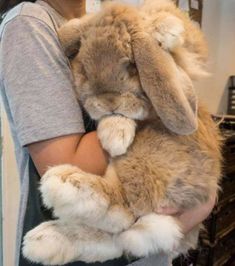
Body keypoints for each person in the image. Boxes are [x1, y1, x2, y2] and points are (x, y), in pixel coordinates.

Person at [0, 0, 216, 265]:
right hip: (77, 247)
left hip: (144, 248)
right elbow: (65, 164)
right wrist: (152, 106)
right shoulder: (31, 24)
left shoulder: (101, 21)